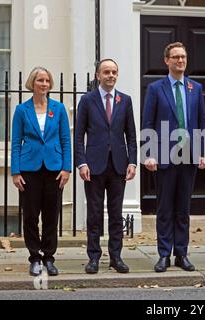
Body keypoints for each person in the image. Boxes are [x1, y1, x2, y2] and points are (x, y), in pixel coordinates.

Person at [142, 42, 205, 273]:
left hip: (188, 156)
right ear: (166, 61)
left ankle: (181, 254)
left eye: (183, 57)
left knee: (183, 208)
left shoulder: (195, 88)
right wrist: (148, 154)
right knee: (165, 208)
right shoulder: (156, 88)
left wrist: (202, 151)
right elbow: (148, 122)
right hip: (164, 157)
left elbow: (200, 122)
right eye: (176, 57)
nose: (180, 61)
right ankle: (163, 255)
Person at [75, 59, 137, 274]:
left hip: (118, 165)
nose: (111, 75)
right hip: (93, 166)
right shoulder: (87, 100)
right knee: (94, 213)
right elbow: (78, 135)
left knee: (116, 213)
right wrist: (81, 162)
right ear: (98, 76)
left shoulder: (125, 100)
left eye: (114, 72)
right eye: (106, 72)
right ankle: (93, 257)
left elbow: (131, 134)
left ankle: (116, 257)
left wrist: (132, 161)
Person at [11, 67, 71, 276]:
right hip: (29, 169)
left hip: (54, 168)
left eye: (47, 80)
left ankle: (49, 257)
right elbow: (16, 142)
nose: (44, 84)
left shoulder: (59, 108)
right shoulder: (22, 110)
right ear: (32, 83)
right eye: (40, 80)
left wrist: (66, 168)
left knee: (51, 215)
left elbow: (65, 139)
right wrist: (15, 171)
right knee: (30, 215)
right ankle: (34, 257)